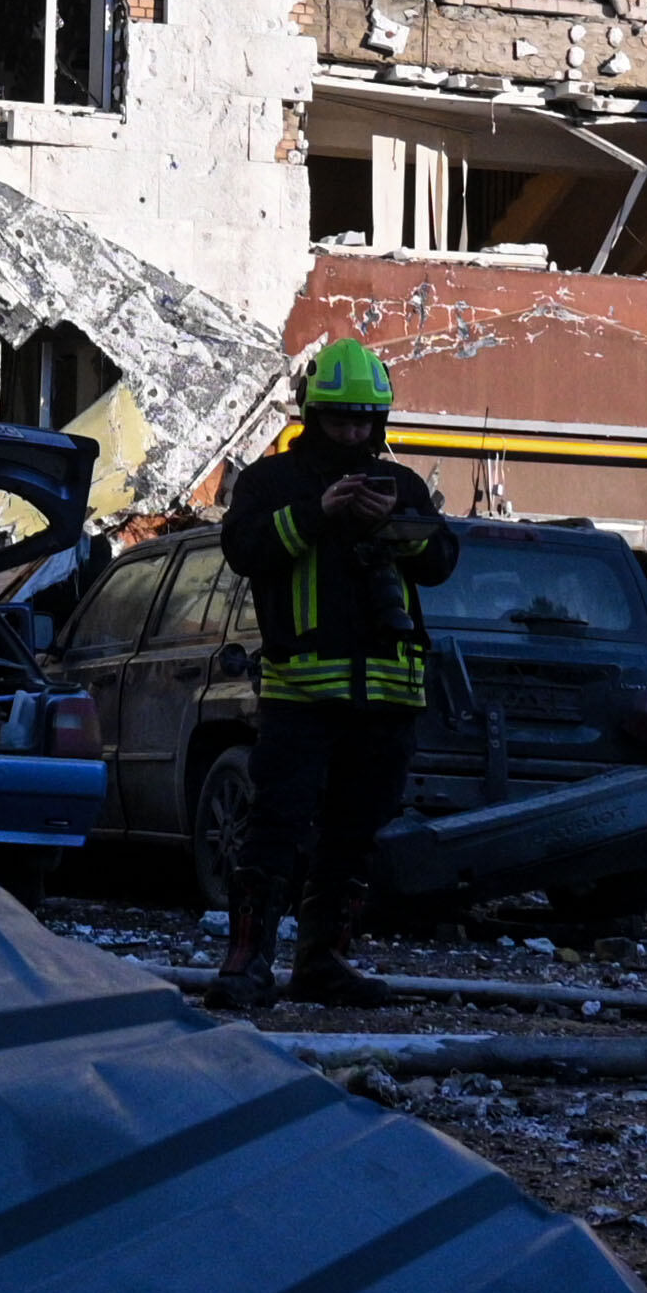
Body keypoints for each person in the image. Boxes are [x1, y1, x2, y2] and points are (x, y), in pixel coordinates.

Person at [205, 337, 459, 1013]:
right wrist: (318, 513)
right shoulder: (271, 482)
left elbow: (440, 562)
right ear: (312, 414)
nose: (352, 433)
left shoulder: (399, 483)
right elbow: (244, 550)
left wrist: (396, 524)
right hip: (302, 693)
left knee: (355, 833)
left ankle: (323, 960)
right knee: (276, 826)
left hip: (389, 694)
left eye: (363, 420)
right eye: (339, 418)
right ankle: (246, 962)